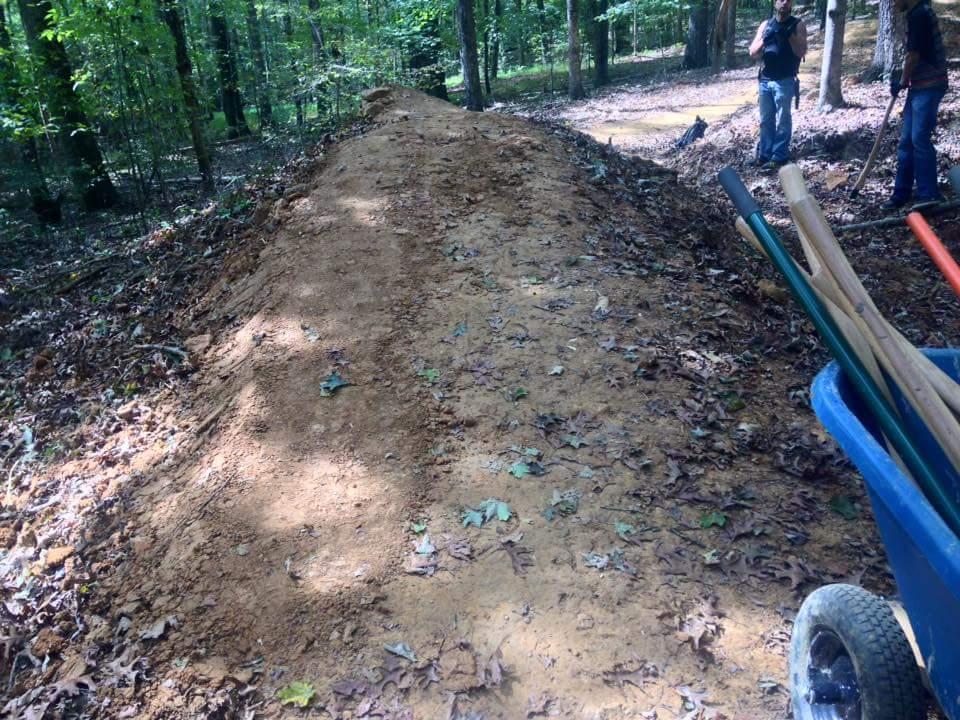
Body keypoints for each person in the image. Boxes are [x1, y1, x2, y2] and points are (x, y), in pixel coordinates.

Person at [883, 0, 948, 210]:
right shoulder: (915, 13)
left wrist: (902, 82)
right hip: (919, 85)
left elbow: (913, 55)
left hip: (930, 85)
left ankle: (928, 194)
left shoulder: (919, 14)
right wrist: (905, 82)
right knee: (906, 141)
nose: (892, 3)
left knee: (919, 138)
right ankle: (901, 193)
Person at [749, 0, 807, 171]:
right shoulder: (766, 24)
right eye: (781, 0)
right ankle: (764, 155)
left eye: (788, 1)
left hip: (785, 80)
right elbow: (752, 52)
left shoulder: (797, 24)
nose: (784, 3)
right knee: (766, 119)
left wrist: (789, 35)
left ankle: (779, 156)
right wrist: (764, 41)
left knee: (783, 118)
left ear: (791, 4)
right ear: (775, 3)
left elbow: (802, 52)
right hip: (765, 79)